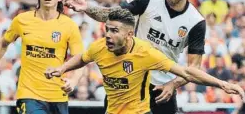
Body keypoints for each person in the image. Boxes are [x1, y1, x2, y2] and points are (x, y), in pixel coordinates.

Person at [44, 8, 245, 114]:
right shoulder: (99, 47)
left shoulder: (146, 53)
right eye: (107, 29)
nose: (108, 35)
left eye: (115, 31)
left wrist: (223, 84)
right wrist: (62, 69)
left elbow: (187, 72)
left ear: (130, 34)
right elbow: (83, 58)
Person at [64, 0, 206, 114]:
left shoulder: (196, 22)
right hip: (130, 83)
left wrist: (173, 84)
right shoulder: (148, 0)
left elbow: (194, 68)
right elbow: (112, 15)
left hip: (162, 89)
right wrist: (87, 7)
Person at [0, 0, 84, 114]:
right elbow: (3, 44)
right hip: (28, 95)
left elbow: (80, 58)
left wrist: (74, 81)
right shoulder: (22, 20)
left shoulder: (69, 25)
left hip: (57, 95)